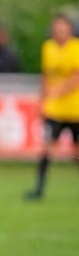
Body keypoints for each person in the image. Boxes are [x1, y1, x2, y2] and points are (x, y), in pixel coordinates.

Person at [25, 14, 79, 200]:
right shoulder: (48, 47)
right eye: (56, 30)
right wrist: (42, 101)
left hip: (75, 110)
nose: (58, 33)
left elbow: (76, 78)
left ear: (70, 30)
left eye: (62, 29)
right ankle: (38, 190)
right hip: (55, 110)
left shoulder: (76, 48)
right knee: (47, 149)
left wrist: (57, 91)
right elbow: (46, 76)